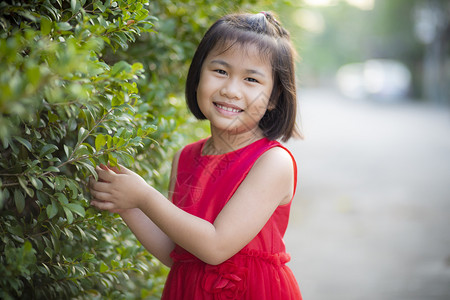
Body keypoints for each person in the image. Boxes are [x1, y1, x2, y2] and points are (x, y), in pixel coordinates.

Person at [90, 11, 302, 299]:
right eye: (220, 71)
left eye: (251, 79)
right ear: (198, 74)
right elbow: (175, 251)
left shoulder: (272, 162)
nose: (230, 90)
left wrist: (144, 196)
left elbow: (215, 248)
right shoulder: (186, 157)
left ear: (275, 97)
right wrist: (125, 203)